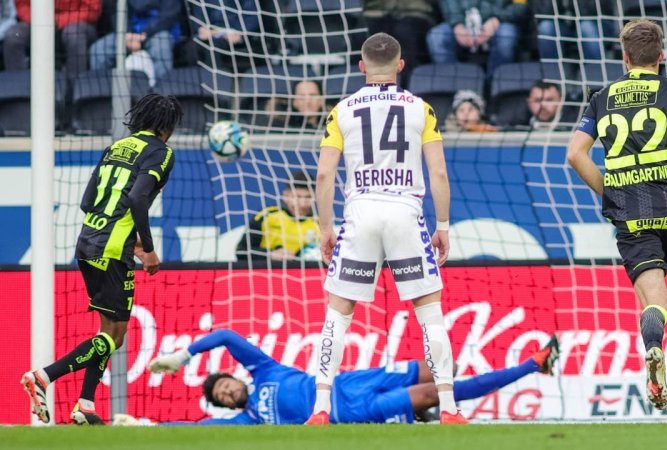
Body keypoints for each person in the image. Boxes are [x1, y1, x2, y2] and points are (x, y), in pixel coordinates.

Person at [566, 19, 667, 414]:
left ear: (625, 58)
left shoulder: (601, 97)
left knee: (652, 297)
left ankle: (655, 349)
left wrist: (611, 193)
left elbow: (575, 154)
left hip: (631, 210)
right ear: (661, 56)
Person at [311, 33, 464, 425]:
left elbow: (325, 173)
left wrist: (325, 227)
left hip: (360, 212)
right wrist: (442, 225)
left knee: (337, 316)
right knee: (430, 314)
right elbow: (439, 173)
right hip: (405, 211)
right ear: (401, 65)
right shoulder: (420, 109)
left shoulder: (341, 110)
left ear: (361, 67)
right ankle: (448, 407)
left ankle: (321, 408)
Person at [21, 93, 183, 425]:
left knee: (106, 330)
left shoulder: (116, 147)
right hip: (111, 250)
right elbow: (138, 198)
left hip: (87, 240)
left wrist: (128, 235)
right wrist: (148, 248)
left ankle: (85, 404)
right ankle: (42, 377)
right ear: (167, 126)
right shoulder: (161, 152)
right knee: (116, 334)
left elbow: (86, 201)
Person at [129, 329, 559, 425]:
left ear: (234, 378)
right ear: (228, 406)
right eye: (223, 398)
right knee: (437, 393)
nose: (227, 394)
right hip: (352, 409)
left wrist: (183, 355)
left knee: (440, 369)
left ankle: (427, 412)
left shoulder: (263, 370)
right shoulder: (250, 423)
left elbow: (225, 335)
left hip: (353, 381)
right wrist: (146, 426)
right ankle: (530, 366)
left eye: (225, 386)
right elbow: (195, 429)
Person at [89, 0, 182, 85]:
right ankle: (103, 97)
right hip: (128, 34)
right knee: (98, 50)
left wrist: (145, 34)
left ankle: (163, 97)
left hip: (158, 31)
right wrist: (126, 33)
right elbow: (116, 12)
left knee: (162, 47)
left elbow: (170, 15)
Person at [3, 0, 100, 80]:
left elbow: (92, 10)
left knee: (73, 36)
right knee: (13, 36)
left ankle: (75, 93)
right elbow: (21, 5)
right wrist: (40, 20)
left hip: (77, 23)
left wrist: (58, 20)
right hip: (37, 21)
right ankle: (20, 93)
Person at [236, 171, 320, 261]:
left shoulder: (317, 223)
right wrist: (270, 255)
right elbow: (241, 251)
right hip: (267, 272)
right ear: (286, 196)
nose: (303, 204)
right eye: (297, 197)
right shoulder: (267, 215)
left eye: (308, 197)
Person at [427, 0, 527, 76]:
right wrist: (457, 24)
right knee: (436, 36)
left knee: (506, 36)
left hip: (499, 23)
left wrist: (496, 20)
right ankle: (456, 87)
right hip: (460, 23)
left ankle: (493, 85)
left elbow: (521, 6)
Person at [362, 0, 438, 85]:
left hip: (415, 12)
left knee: (406, 33)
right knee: (362, 34)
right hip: (374, 12)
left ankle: (405, 86)